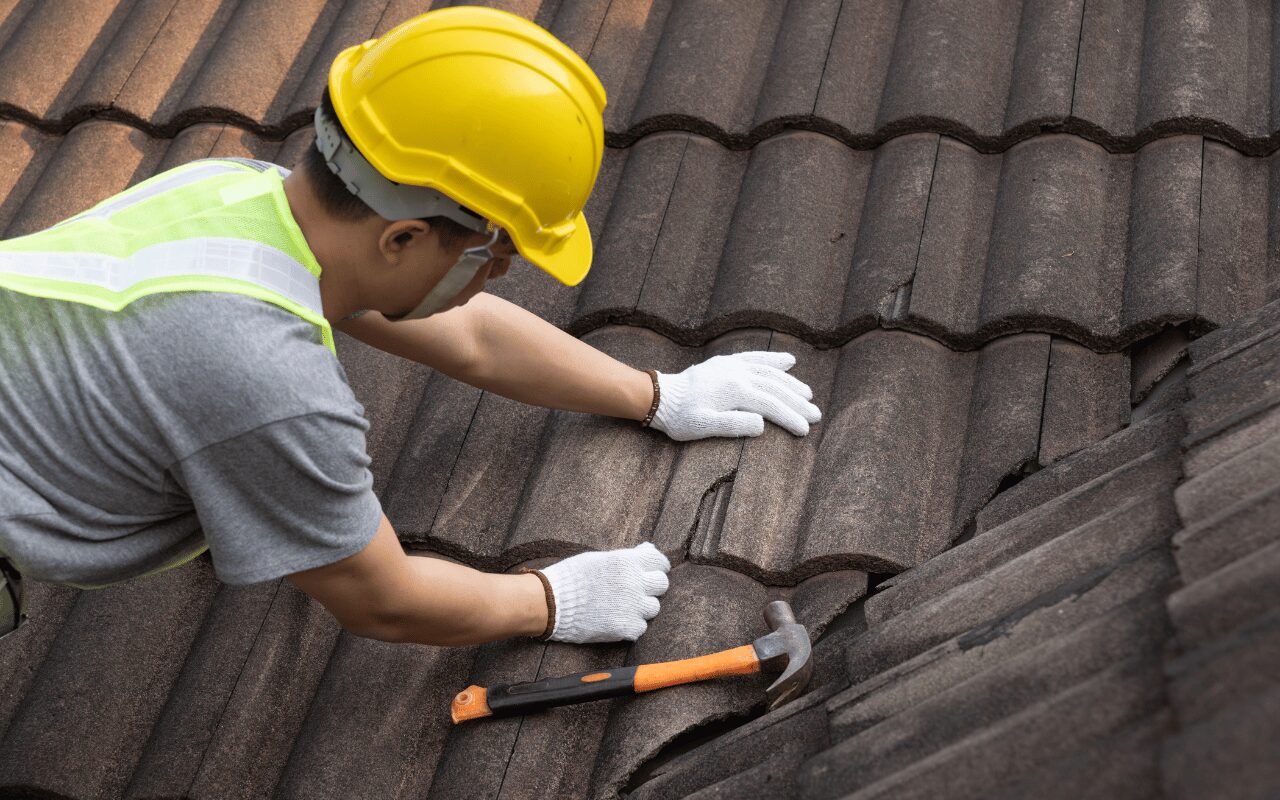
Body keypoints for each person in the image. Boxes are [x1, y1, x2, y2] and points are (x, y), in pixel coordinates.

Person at [0, 8, 821, 648]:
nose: (499, 275)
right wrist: (549, 599)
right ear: (401, 237)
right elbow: (380, 597)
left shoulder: (237, 190)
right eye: (495, 253)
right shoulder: (267, 384)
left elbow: (472, 337)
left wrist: (656, 394)